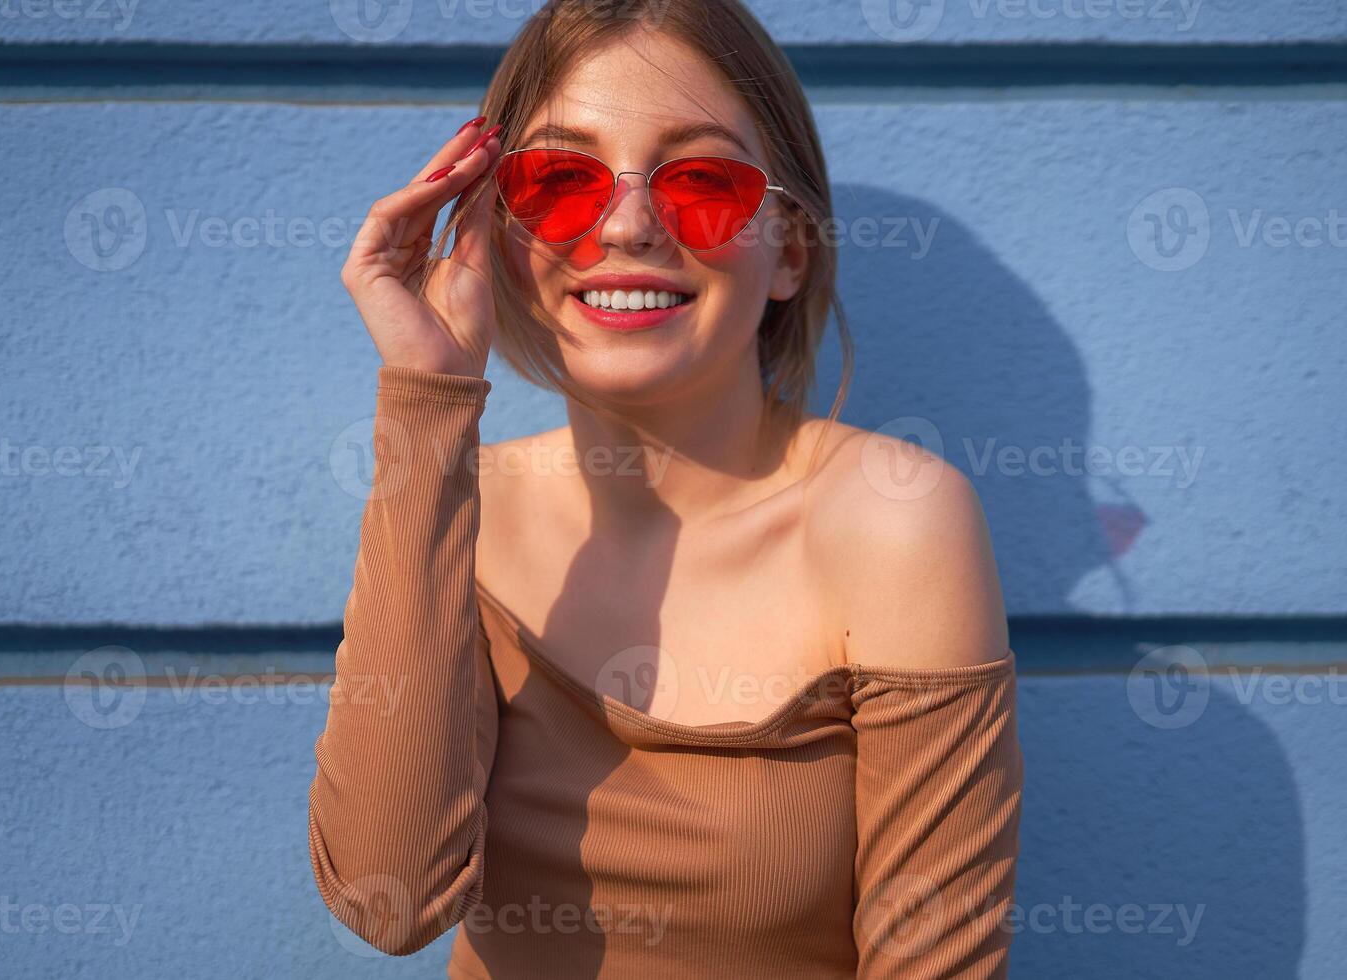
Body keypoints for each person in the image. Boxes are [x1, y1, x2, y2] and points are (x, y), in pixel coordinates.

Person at [307, 1, 1023, 976]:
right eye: (560, 180)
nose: (631, 224)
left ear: (789, 249)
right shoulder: (462, 506)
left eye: (703, 181)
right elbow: (385, 898)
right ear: (501, 231)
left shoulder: (891, 519)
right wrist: (430, 401)